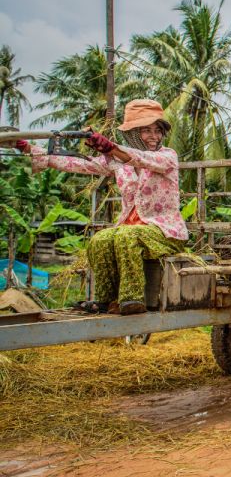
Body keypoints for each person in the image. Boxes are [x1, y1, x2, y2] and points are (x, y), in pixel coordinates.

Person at [15, 99, 187, 315]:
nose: (154, 136)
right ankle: (106, 300)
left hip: (164, 232)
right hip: (131, 228)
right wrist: (29, 148)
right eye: (146, 131)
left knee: (126, 236)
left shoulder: (167, 156)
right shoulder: (118, 161)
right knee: (100, 239)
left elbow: (140, 158)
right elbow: (80, 163)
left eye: (157, 131)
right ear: (133, 133)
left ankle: (132, 299)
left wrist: (110, 147)